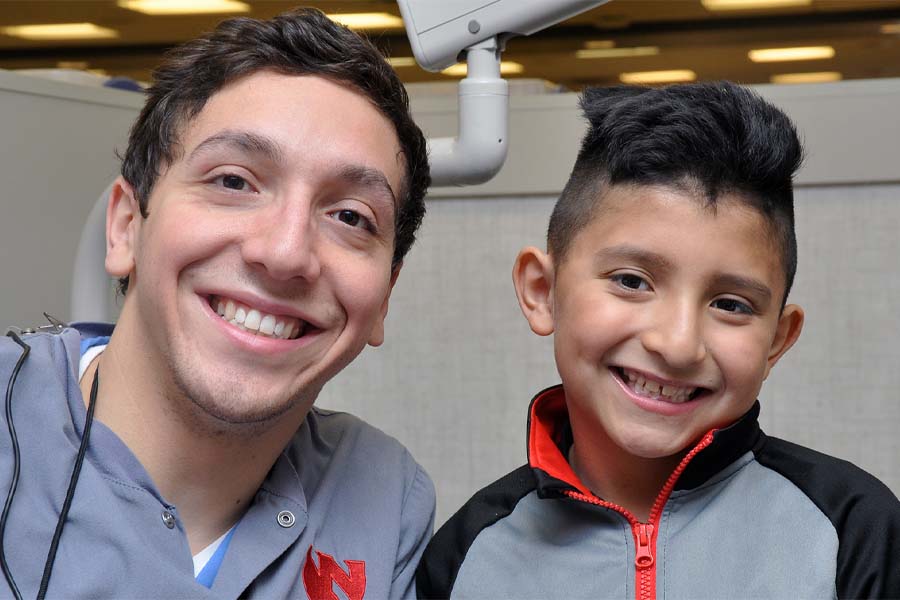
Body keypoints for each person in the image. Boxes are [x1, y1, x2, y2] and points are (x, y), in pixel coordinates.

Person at [0, 8, 434, 599]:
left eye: (351, 217)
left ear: (385, 296)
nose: (285, 253)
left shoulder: (383, 497)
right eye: (234, 181)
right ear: (127, 226)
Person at [416, 82, 900, 599]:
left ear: (777, 342)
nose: (677, 343)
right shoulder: (469, 556)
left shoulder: (853, 531)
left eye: (731, 305)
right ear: (543, 291)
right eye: (631, 281)